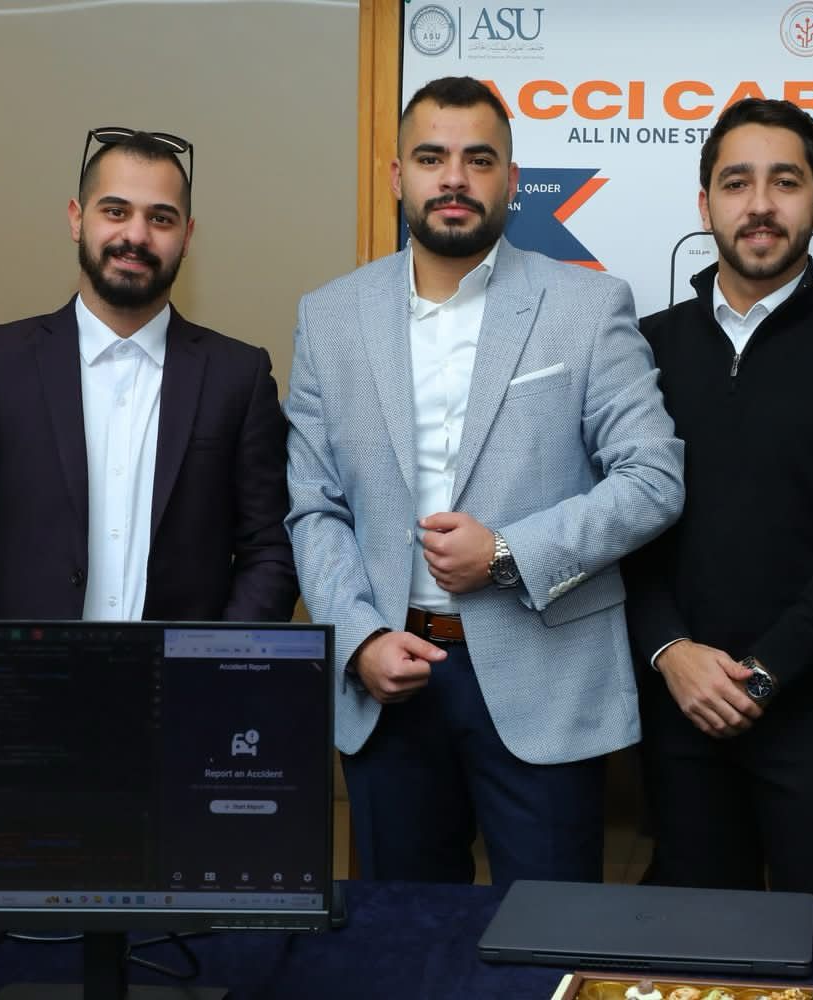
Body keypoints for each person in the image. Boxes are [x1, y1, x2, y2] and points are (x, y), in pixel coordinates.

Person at [285, 76, 685, 885]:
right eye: (431, 158)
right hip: (390, 682)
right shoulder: (330, 317)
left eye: (479, 159)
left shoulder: (587, 304)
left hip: (545, 679)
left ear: (510, 179)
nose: (455, 179)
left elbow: (653, 477)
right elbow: (313, 506)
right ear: (397, 175)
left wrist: (506, 552)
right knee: (401, 936)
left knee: (548, 936)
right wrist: (358, 638)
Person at [625, 98, 813, 901]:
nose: (759, 204)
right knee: (694, 941)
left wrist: (764, 673)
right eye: (737, 183)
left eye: (784, 182)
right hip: (681, 700)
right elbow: (620, 524)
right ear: (705, 205)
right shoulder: (645, 348)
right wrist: (670, 651)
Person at [0, 128, 298, 622]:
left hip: (186, 670)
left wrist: (216, 660)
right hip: (23, 668)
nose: (136, 235)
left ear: (187, 237)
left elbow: (270, 550)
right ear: (77, 219)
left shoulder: (238, 377)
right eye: (115, 211)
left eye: (161, 218)